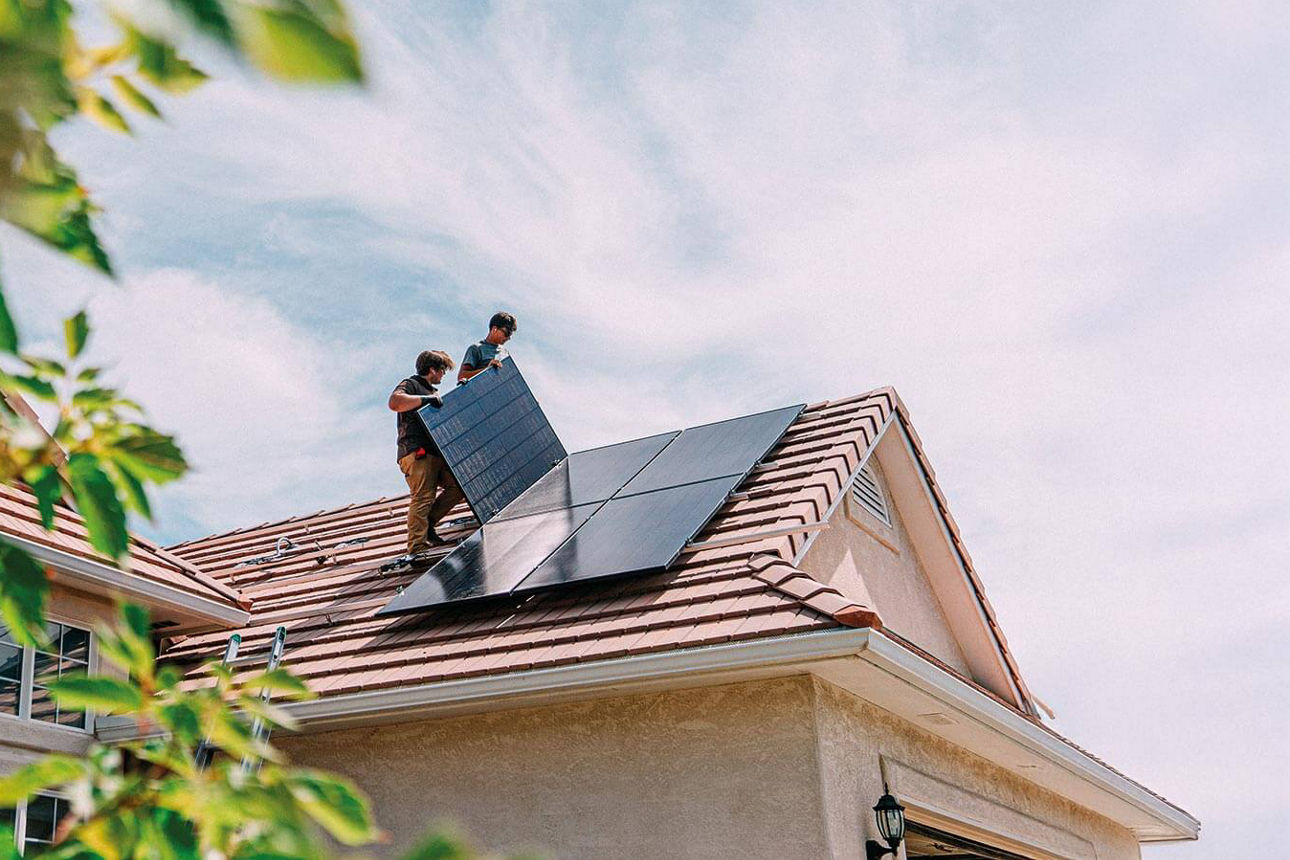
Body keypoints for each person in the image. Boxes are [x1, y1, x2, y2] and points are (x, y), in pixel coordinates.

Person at [388, 349, 464, 555]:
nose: (443, 375)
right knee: (423, 496)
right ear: (432, 369)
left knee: (458, 486)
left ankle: (428, 524)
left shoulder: (432, 392)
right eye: (442, 371)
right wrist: (424, 400)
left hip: (436, 454)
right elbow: (395, 402)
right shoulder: (411, 385)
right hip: (416, 452)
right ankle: (417, 546)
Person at [457, 311, 517, 384]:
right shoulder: (476, 349)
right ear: (494, 329)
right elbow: (462, 376)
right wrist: (487, 370)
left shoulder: (505, 353)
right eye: (507, 333)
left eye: (510, 335)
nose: (508, 338)